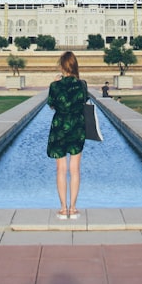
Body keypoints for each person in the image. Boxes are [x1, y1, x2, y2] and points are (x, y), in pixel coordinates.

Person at [47, 50, 88, 220]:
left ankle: (63, 209)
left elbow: (51, 105)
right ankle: (73, 208)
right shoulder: (82, 85)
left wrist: (56, 83)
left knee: (61, 169)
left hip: (59, 128)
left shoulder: (55, 85)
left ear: (62, 66)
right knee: (75, 169)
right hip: (77, 128)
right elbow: (84, 101)